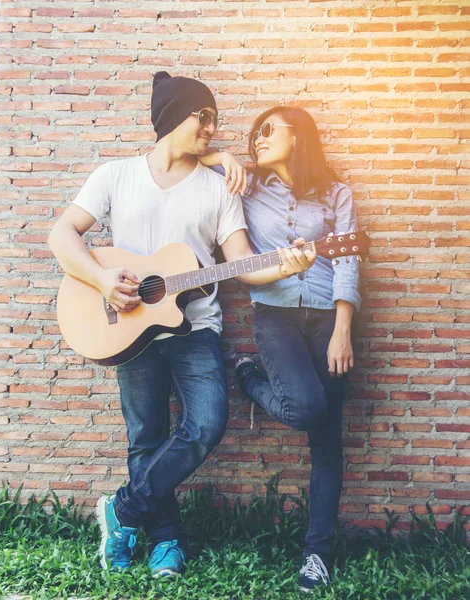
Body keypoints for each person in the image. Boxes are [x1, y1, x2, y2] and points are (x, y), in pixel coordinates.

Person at [48, 75, 315, 579]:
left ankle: (121, 513)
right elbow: (62, 233)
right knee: (145, 435)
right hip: (128, 328)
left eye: (214, 119)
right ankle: (166, 541)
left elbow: (243, 263)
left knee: (207, 423)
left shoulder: (218, 189)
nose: (213, 129)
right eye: (204, 117)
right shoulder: (116, 176)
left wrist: (286, 266)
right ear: (175, 115)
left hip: (196, 331)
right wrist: (104, 279)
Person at [200, 106, 361, 594]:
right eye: (255, 136)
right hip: (275, 316)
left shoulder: (337, 194)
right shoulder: (246, 188)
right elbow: (191, 161)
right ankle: (250, 377)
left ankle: (317, 556)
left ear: (300, 134)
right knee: (306, 407)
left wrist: (343, 330)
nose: (258, 140)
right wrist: (228, 156)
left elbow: (349, 260)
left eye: (269, 131)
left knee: (327, 441)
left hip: (328, 318)